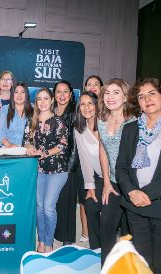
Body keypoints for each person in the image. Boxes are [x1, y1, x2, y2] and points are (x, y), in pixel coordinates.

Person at [116, 78, 161, 273]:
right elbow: (121, 167)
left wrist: (146, 194)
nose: (147, 99)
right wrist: (132, 192)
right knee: (142, 260)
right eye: (141, 96)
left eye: (152, 93)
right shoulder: (130, 129)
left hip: (158, 205)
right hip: (134, 205)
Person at [97, 78, 138, 264]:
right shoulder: (101, 120)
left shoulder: (135, 121)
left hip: (132, 183)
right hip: (112, 181)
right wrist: (106, 182)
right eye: (107, 93)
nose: (110, 97)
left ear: (125, 97)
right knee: (106, 224)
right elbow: (102, 150)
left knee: (132, 231)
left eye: (116, 92)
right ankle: (106, 266)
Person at [23, 88, 68, 253]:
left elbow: (63, 145)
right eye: (39, 99)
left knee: (48, 206)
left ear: (52, 101)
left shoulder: (58, 121)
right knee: (39, 206)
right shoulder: (31, 120)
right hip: (38, 169)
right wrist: (29, 148)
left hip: (57, 170)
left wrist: (44, 153)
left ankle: (49, 243)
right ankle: (41, 240)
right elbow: (26, 141)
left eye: (46, 98)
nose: (42, 102)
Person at [52, 80, 86, 245]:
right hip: (51, 163)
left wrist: (70, 168)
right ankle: (57, 234)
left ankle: (67, 240)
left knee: (67, 202)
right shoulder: (51, 111)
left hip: (67, 165)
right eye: (59, 91)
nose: (62, 95)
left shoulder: (75, 112)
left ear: (71, 94)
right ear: (54, 94)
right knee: (55, 201)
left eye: (65, 91)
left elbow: (76, 142)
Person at [74, 91, 103, 250]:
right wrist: (90, 186)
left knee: (111, 216)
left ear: (97, 104)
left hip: (116, 177)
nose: (86, 107)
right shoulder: (80, 129)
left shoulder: (107, 122)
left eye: (90, 103)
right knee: (90, 205)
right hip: (99, 177)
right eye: (82, 104)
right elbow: (85, 161)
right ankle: (96, 250)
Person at [0, 82, 33, 147]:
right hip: (8, 150)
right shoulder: (4, 110)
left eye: (22, 92)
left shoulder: (34, 110)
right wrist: (9, 145)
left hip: (28, 150)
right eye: (16, 92)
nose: (19, 95)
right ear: (12, 94)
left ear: (26, 95)